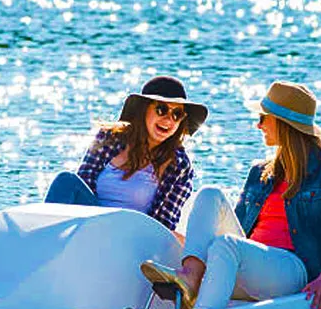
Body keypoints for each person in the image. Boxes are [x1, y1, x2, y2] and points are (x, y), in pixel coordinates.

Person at [141, 81, 321, 309]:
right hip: (247, 264)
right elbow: (237, 230)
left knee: (227, 245)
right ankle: (190, 277)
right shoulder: (260, 172)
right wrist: (192, 242)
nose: (258, 125)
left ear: (283, 124)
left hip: (292, 270)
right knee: (210, 194)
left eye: (263, 118)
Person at [44, 76, 208, 232]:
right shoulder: (109, 138)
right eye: (161, 109)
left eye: (177, 114)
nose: (168, 120)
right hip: (90, 223)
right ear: (143, 110)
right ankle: (41, 240)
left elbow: (162, 224)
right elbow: (82, 185)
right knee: (66, 181)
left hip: (130, 236)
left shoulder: (179, 164)